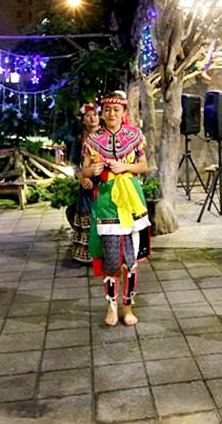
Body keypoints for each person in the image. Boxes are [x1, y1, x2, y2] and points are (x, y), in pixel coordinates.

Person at [82, 91, 151, 326]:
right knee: (111, 260)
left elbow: (143, 166)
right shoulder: (92, 141)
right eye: (108, 110)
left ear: (124, 113)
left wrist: (125, 166)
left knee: (130, 261)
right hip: (107, 204)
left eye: (116, 110)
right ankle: (111, 306)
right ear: (102, 113)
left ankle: (128, 307)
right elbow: (84, 174)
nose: (111, 114)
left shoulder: (135, 136)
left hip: (131, 201)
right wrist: (90, 173)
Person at [69, 101, 100, 264]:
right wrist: (81, 177)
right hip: (87, 182)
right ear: (83, 120)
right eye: (88, 116)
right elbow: (73, 163)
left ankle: (105, 253)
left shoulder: (107, 136)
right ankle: (86, 255)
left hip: (104, 181)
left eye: (95, 114)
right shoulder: (79, 140)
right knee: (87, 213)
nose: (92, 118)